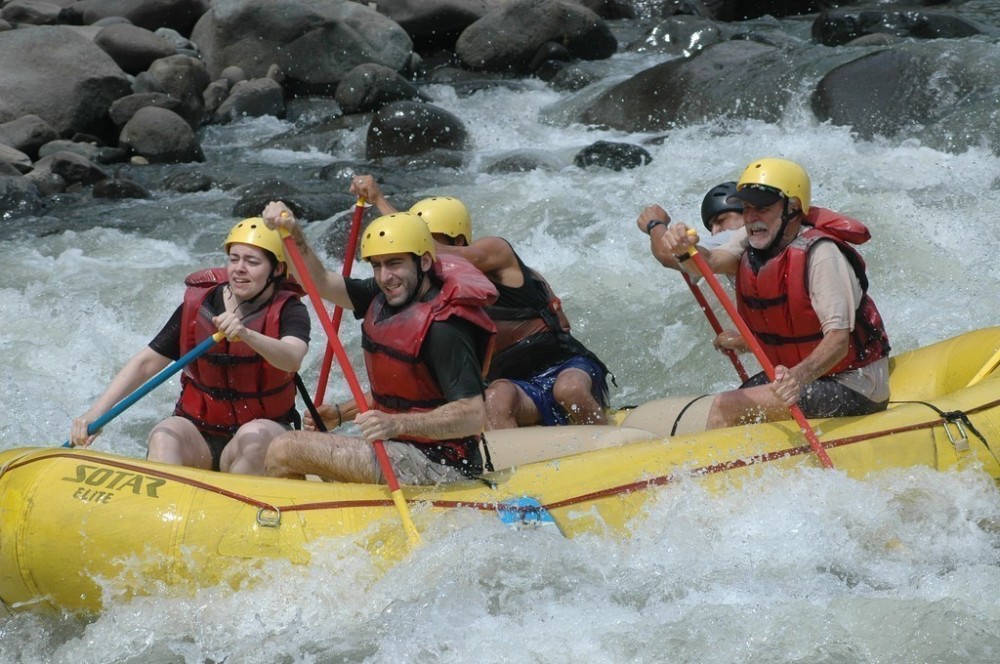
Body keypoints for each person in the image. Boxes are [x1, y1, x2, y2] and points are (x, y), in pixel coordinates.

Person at [260, 203, 498, 485]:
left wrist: (396, 424)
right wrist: (293, 231)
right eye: (377, 265)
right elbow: (320, 282)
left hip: (441, 464)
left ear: (423, 262)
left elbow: (472, 414)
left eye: (395, 263)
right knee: (300, 450)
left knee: (284, 448)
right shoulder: (384, 295)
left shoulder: (444, 327)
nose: (385, 277)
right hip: (400, 450)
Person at [350, 174, 612, 429]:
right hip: (520, 388)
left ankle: (612, 448)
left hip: (567, 368)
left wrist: (379, 200)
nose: (420, 252)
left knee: (569, 390)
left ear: (458, 240)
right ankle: (516, 469)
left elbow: (448, 254)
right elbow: (414, 389)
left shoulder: (497, 253)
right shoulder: (434, 306)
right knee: (496, 400)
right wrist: (339, 413)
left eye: (426, 241)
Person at [658, 157, 891, 428]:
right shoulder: (748, 243)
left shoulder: (822, 255)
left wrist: (797, 378)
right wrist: (685, 249)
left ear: (792, 207)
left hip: (854, 384)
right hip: (805, 377)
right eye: (746, 208)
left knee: (726, 409)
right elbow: (707, 263)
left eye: (763, 208)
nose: (752, 218)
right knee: (731, 398)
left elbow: (838, 342)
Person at [70, 218, 311, 474]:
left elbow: (292, 357)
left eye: (252, 262)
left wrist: (247, 335)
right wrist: (95, 413)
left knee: (255, 436)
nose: (239, 269)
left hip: (262, 438)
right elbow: (146, 362)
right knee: (165, 434)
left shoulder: (290, 310)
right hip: (200, 435)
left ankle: (235, 508)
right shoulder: (200, 306)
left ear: (276, 269)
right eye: (234, 258)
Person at [637, 181, 745, 273]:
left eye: (721, 220)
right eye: (711, 227)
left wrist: (654, 224)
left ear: (748, 213)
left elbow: (667, 254)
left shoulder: (741, 234)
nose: (714, 232)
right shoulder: (736, 244)